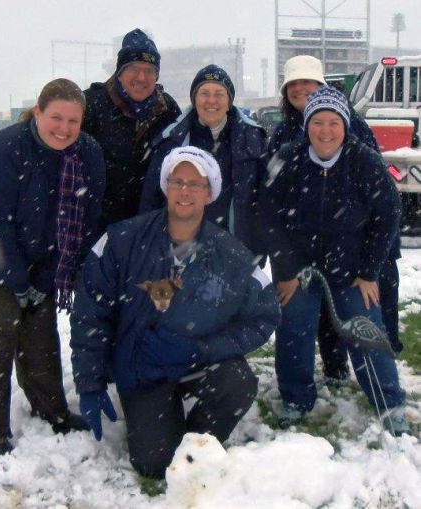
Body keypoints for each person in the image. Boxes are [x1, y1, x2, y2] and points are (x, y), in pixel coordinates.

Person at [70, 146, 281, 479]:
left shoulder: (231, 255)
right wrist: (89, 381)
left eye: (195, 184)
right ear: (165, 186)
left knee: (237, 384)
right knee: (155, 464)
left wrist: (203, 349)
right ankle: (160, 427)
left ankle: (196, 440)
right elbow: (90, 313)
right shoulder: (122, 240)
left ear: (209, 193)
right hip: (144, 371)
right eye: (177, 181)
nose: (185, 191)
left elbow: (264, 316)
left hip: (197, 362)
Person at [0, 78, 106, 459]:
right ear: (38, 112)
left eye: (73, 121)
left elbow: (85, 220)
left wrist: (44, 279)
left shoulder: (88, 155)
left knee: (39, 318)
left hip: (34, 251)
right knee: (2, 317)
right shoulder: (7, 151)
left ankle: (52, 411)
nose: (64, 128)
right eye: (56, 117)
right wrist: (16, 281)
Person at [258, 86, 410, 435]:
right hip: (300, 269)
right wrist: (285, 270)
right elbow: (267, 215)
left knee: (366, 329)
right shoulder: (288, 158)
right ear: (306, 125)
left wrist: (369, 272)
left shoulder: (365, 160)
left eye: (333, 122)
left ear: (345, 125)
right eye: (317, 122)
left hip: (352, 270)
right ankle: (296, 399)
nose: (325, 131)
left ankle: (389, 404)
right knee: (294, 329)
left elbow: (388, 215)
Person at [268, 55, 403, 384]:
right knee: (306, 316)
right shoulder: (284, 137)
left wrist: (370, 266)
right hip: (306, 251)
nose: (301, 88)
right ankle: (326, 371)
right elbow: (271, 207)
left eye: (308, 82)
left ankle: (369, 366)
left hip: (356, 245)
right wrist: (285, 267)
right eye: (294, 83)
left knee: (366, 305)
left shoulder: (354, 130)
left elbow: (382, 202)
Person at [140, 64, 267, 259]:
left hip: (237, 251)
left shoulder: (253, 138)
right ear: (194, 99)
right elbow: (151, 199)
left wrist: (258, 250)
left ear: (229, 101)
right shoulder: (172, 140)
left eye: (219, 94)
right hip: (182, 251)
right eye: (204, 93)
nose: (211, 101)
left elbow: (265, 199)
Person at [82, 28, 181, 230]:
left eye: (149, 70)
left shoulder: (167, 110)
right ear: (119, 72)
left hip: (151, 227)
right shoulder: (90, 105)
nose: (141, 77)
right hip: (97, 228)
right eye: (133, 68)